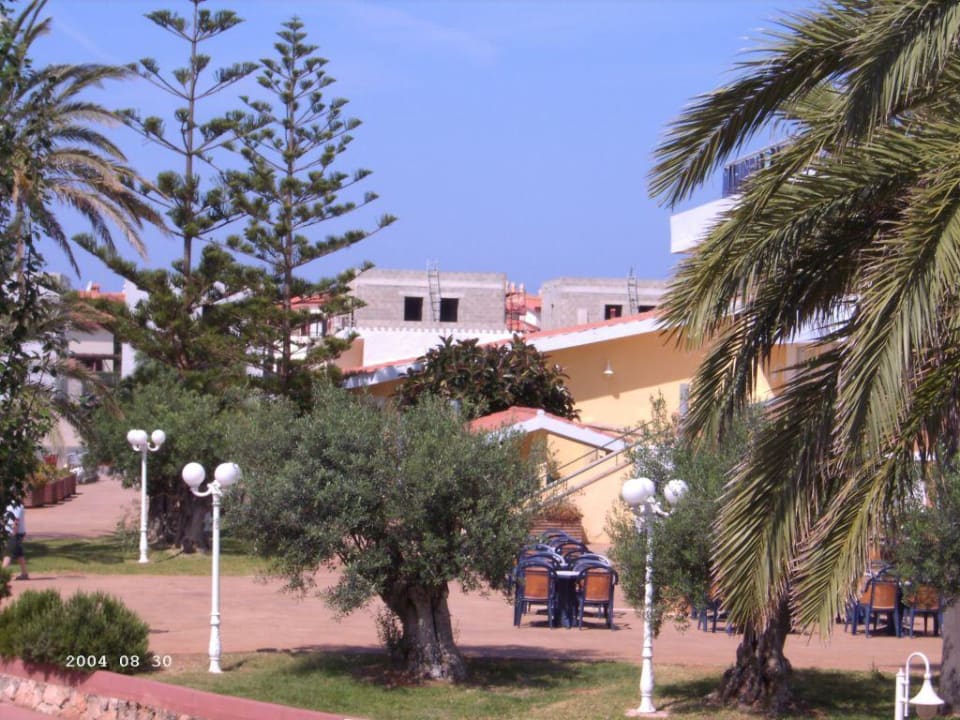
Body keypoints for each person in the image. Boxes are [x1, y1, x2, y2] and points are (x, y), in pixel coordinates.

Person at [3, 501, 28, 580]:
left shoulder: (16, 505)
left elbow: (16, 521)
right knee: (19, 554)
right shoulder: (8, 503)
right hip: (13, 533)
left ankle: (1, 574)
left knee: (8, 553)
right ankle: (24, 574)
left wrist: (13, 533)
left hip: (15, 533)